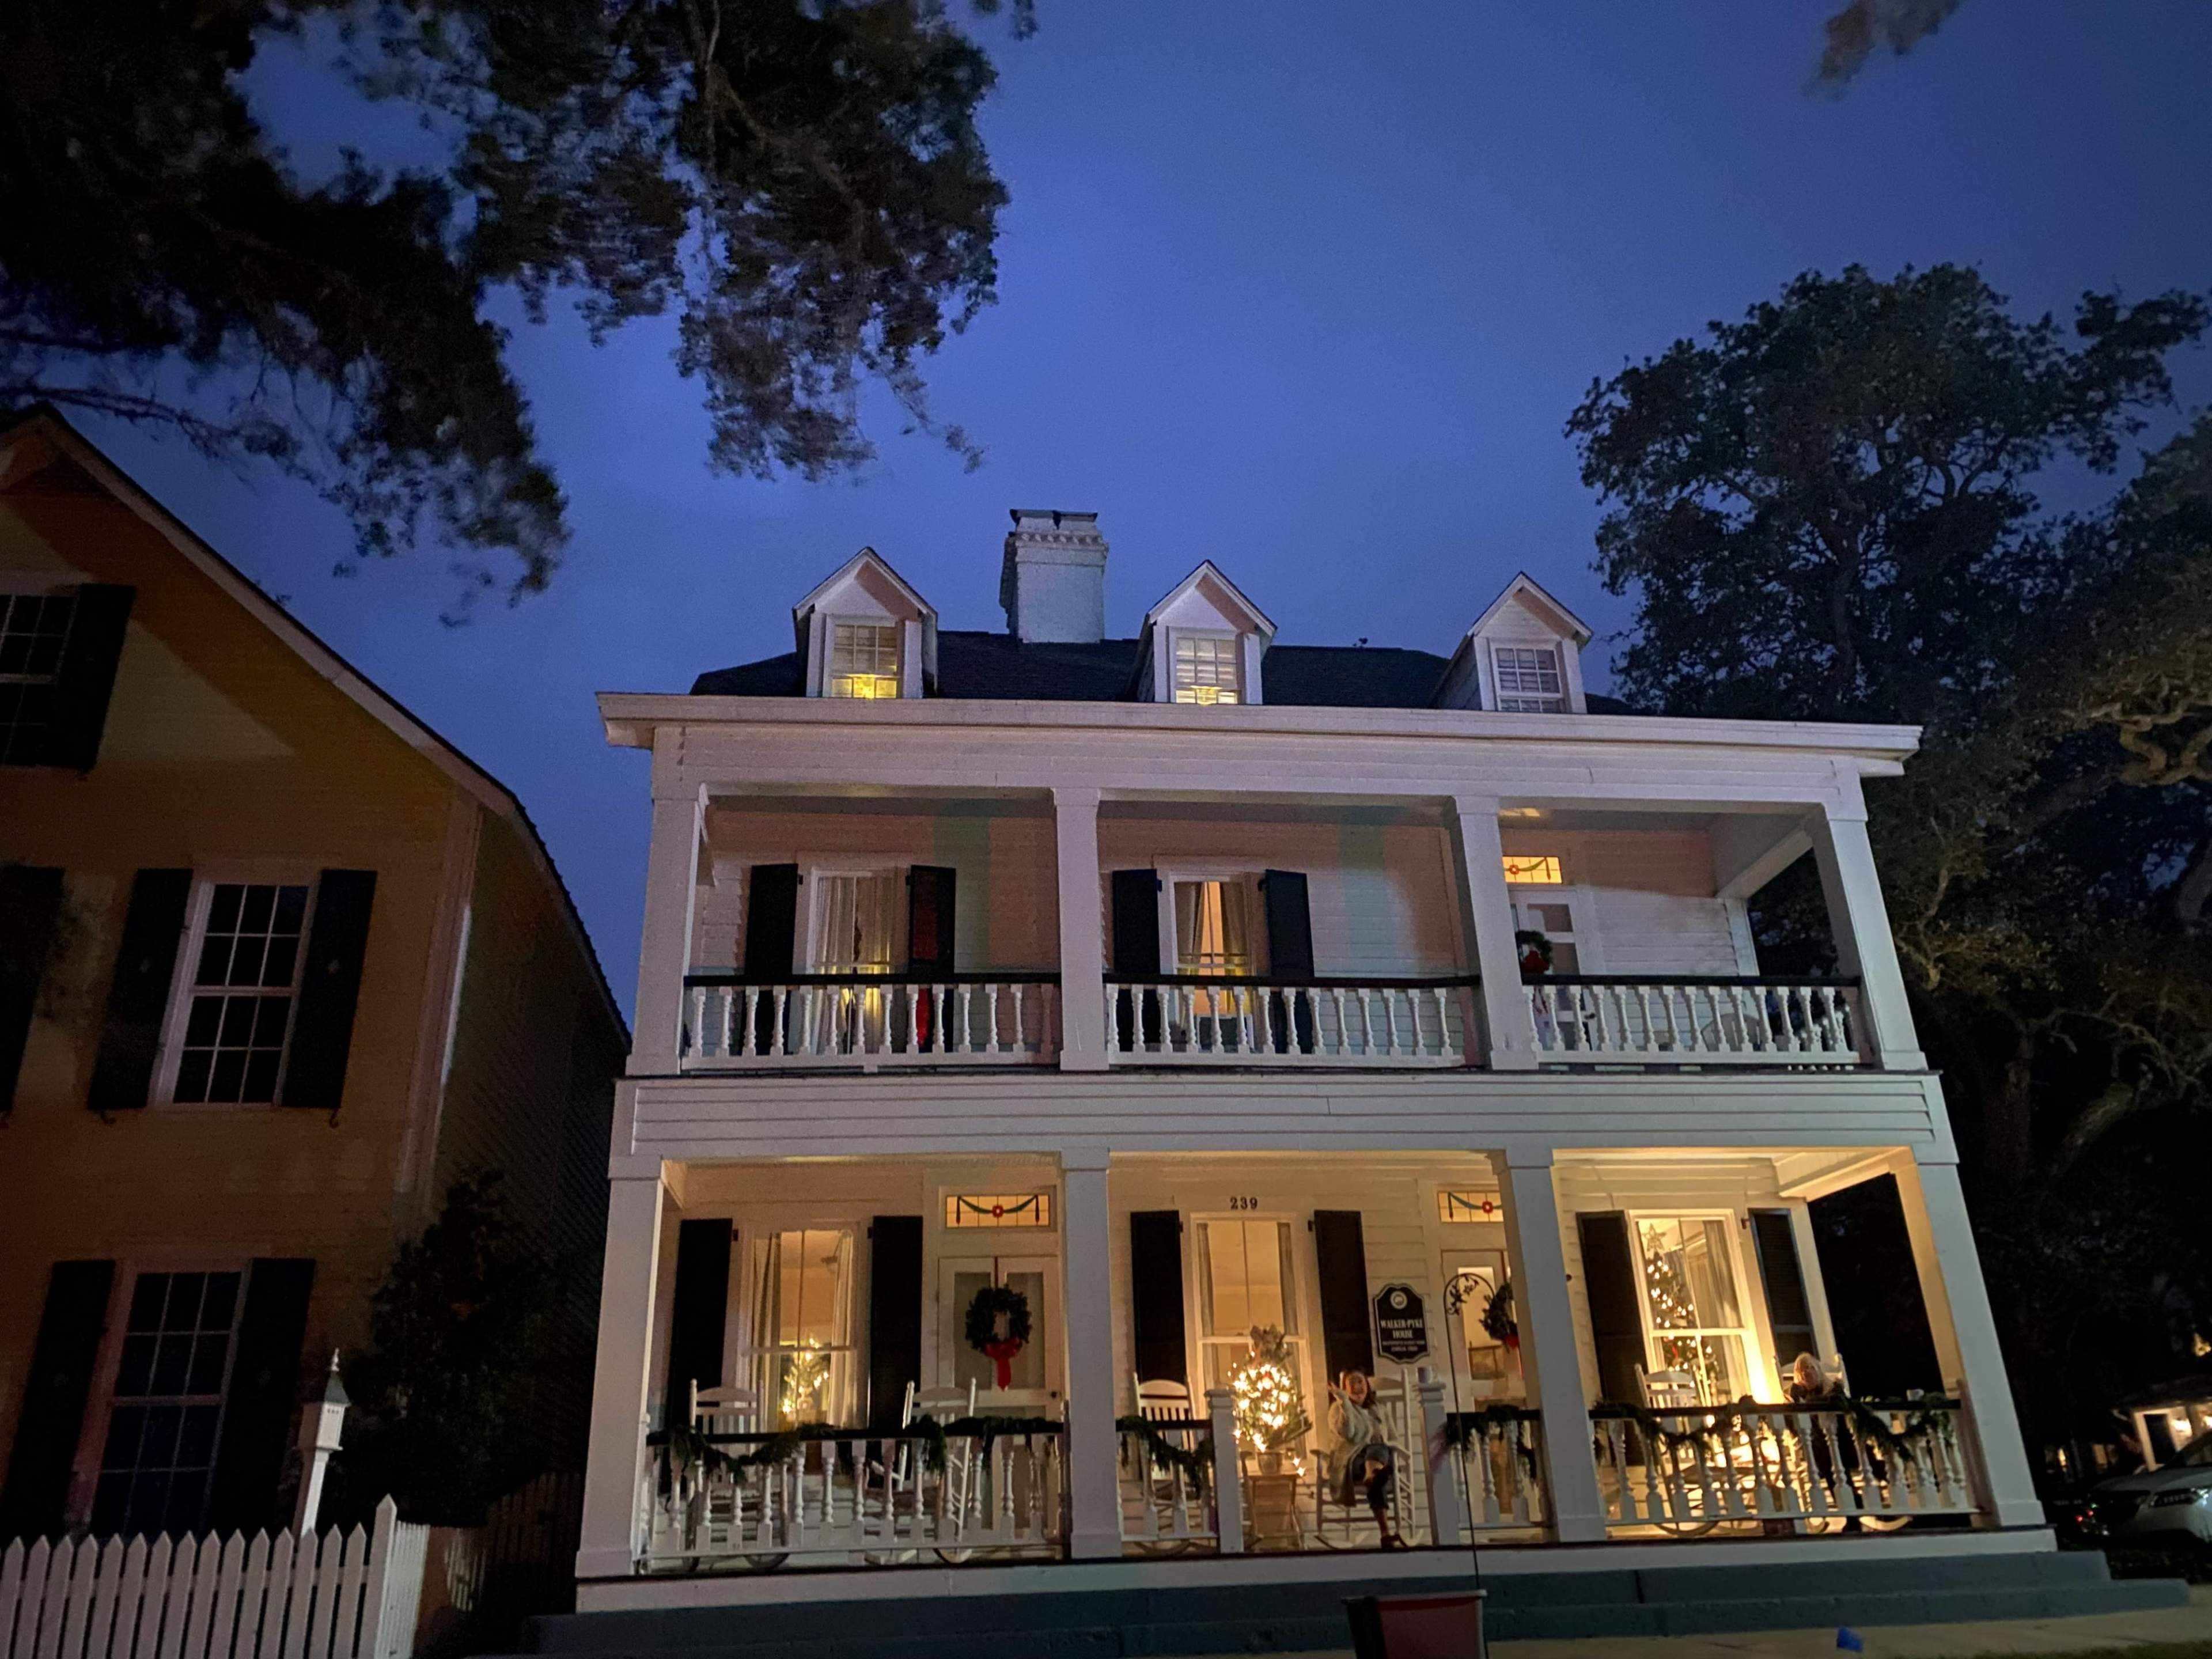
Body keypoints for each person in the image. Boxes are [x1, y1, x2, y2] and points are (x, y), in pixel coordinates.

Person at [1784, 1351, 1862, 1529]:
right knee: (1827, 1460)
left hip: (1842, 1440)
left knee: (1835, 1459)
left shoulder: (1833, 1390)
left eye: (1812, 1368)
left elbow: (1844, 1414)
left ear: (1819, 1370)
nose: (1808, 1372)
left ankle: (1855, 1508)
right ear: (1798, 1374)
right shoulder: (1796, 1395)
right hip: (1818, 1445)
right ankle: (1853, 1509)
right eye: (1804, 1370)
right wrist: (1797, 1400)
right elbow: (1794, 1425)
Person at [1327, 1370, 1404, 1548]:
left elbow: (1394, 1438)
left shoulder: (1380, 1409)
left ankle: (1374, 1474)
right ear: (1345, 1390)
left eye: (1360, 1381)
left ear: (1367, 1386)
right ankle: (1385, 1532)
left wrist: (1384, 1447)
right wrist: (1344, 1402)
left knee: (1380, 1452)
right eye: (1351, 1383)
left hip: (1382, 1458)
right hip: (1353, 1461)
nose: (1356, 1386)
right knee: (1377, 1469)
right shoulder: (1337, 1409)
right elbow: (1349, 1435)